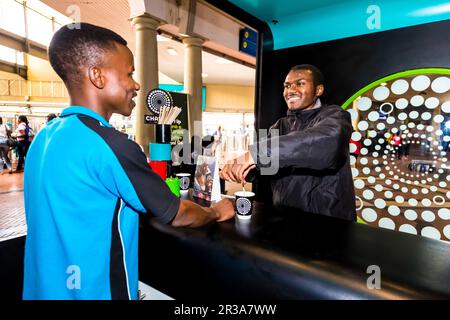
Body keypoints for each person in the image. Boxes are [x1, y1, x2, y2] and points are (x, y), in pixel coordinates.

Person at [23, 23, 234, 300]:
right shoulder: (112, 145)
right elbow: (177, 213)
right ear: (97, 76)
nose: (136, 85)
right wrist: (217, 212)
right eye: (129, 73)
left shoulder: (43, 138)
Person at [220, 64, 356, 221]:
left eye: (300, 83)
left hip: (326, 220)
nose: (291, 90)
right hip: (285, 216)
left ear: (318, 90)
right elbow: (267, 169)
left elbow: (326, 144)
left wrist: (256, 154)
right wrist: (244, 171)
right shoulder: (279, 125)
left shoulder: (336, 116)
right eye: (287, 86)